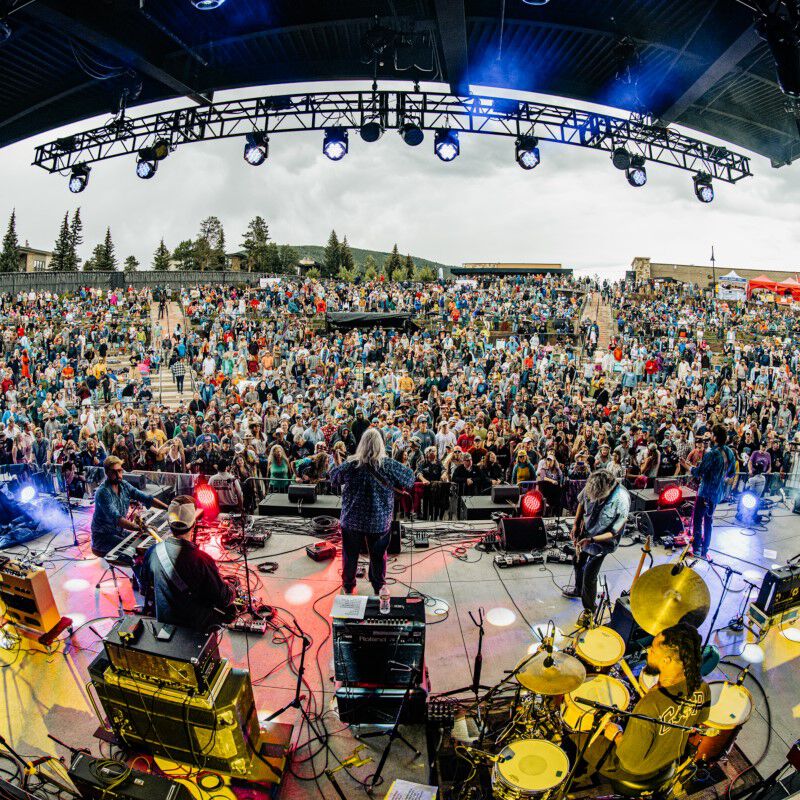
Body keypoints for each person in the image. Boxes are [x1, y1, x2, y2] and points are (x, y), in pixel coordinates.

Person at [578, 623, 710, 784]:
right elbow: (699, 719)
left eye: (653, 650)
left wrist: (617, 735)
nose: (648, 651)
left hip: (638, 770)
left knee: (576, 732)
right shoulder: (702, 687)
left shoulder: (650, 705)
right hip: (672, 755)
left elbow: (630, 761)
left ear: (667, 660)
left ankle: (577, 775)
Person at [329, 427, 414, 597]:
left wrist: (337, 462)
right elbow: (410, 479)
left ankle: (348, 585)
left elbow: (333, 479)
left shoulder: (352, 464)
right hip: (379, 520)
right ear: (381, 445)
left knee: (350, 554)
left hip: (352, 519)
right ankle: (379, 585)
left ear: (361, 444)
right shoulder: (389, 465)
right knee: (378, 554)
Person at [140, 495, 237, 631]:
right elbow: (223, 599)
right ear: (194, 523)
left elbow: (144, 590)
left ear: (169, 523)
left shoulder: (152, 551)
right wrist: (233, 588)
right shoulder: (201, 560)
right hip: (194, 628)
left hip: (164, 624)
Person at [563, 469, 630, 628]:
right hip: (586, 531)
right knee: (577, 561)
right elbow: (581, 502)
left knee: (589, 574)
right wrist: (576, 523)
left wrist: (591, 540)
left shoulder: (621, 498)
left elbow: (614, 532)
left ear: (608, 488)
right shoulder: (592, 485)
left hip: (603, 541)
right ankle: (579, 590)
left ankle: (589, 609)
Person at [90, 456, 168, 558]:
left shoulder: (123, 485)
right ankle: (139, 572)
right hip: (103, 538)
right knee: (137, 552)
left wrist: (168, 508)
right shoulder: (102, 492)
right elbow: (118, 519)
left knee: (144, 540)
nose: (119, 475)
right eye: (115, 472)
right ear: (107, 473)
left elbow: (146, 498)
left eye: (120, 471)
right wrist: (140, 528)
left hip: (119, 532)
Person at [687, 424, 735, 559]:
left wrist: (688, 467)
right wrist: (720, 477)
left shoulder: (712, 454)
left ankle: (696, 548)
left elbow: (698, 472)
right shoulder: (729, 452)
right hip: (716, 494)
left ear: (715, 437)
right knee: (708, 521)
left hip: (705, 493)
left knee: (697, 519)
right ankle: (705, 549)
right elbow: (731, 473)